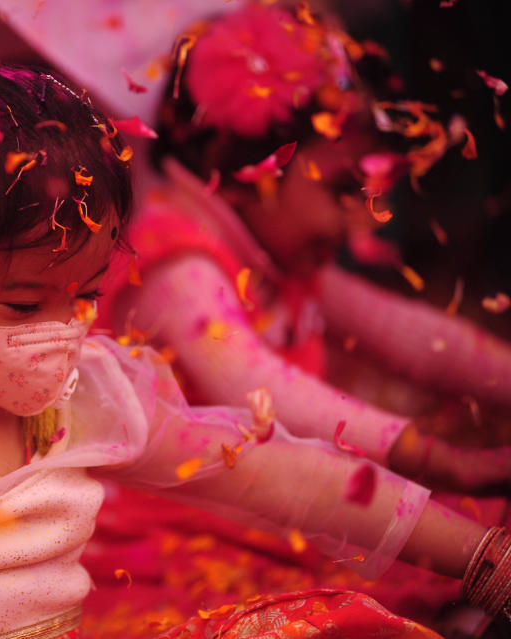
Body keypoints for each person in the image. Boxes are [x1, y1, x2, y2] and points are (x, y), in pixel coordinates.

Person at [0, 65, 508, 639]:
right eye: (24, 303)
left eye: (83, 294)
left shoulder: (88, 385)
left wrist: (482, 559)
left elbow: (282, 474)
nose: (61, 329)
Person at [103, 2, 511, 495]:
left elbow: (407, 335)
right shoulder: (180, 268)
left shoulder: (271, 259)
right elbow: (258, 388)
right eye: (343, 189)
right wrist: (436, 460)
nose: (363, 219)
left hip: (273, 504)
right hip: (186, 527)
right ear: (243, 169)